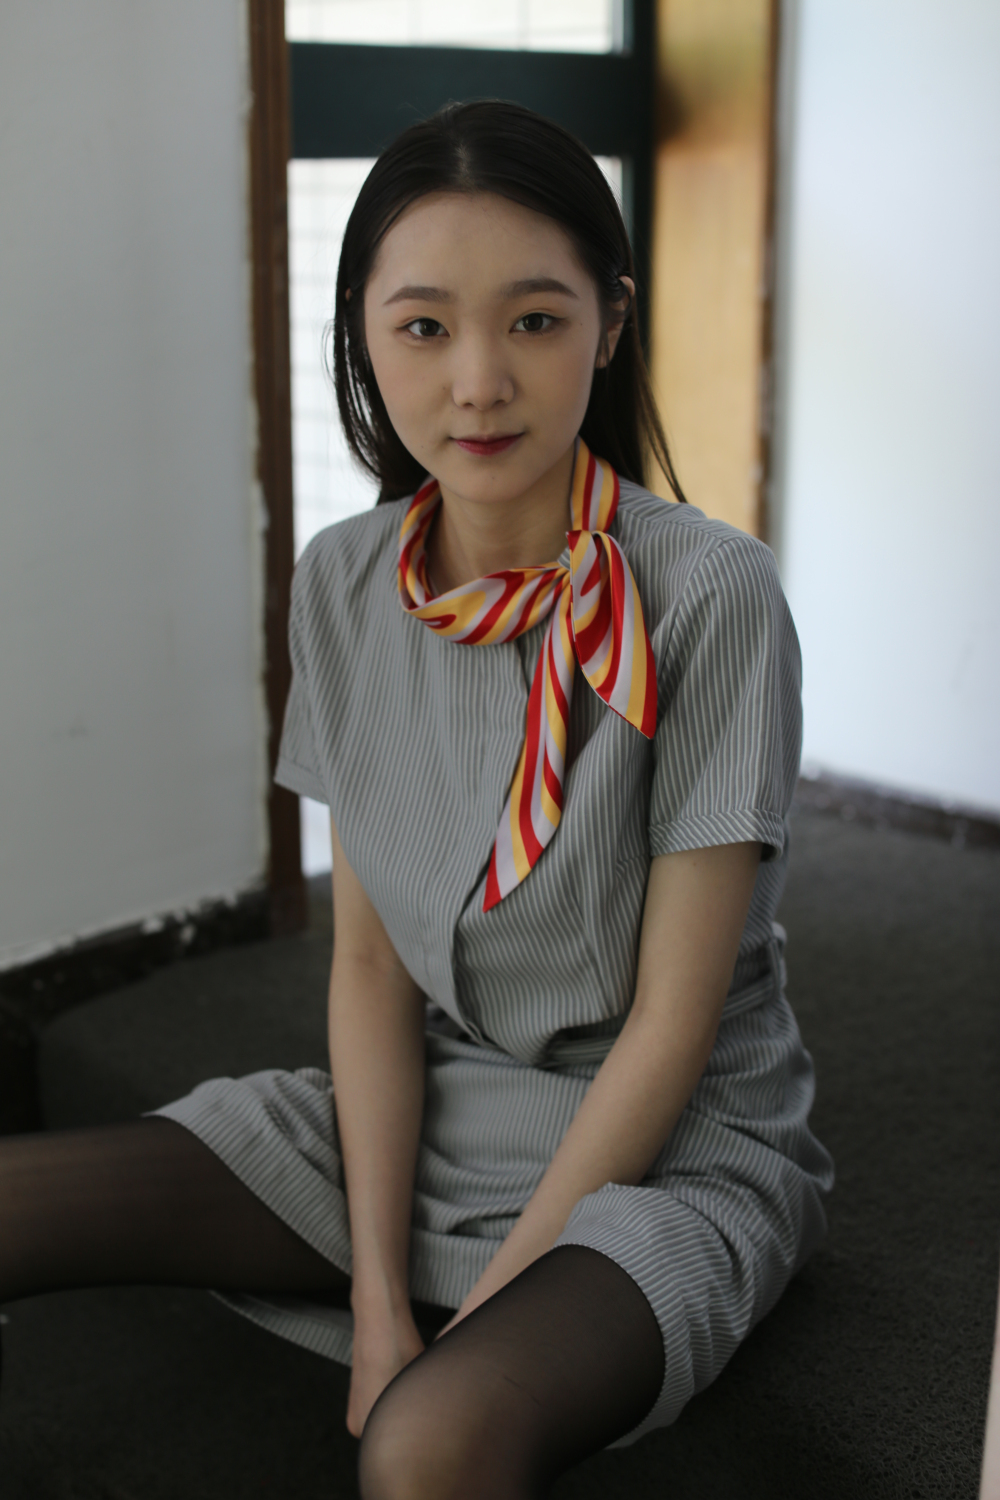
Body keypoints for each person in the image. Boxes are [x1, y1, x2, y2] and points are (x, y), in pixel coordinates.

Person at [0, 101, 833, 1497]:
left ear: (611, 325)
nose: (478, 384)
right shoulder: (342, 581)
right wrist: (382, 1300)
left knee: (429, 1443)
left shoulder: (710, 596)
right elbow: (376, 970)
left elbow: (675, 1026)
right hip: (436, 1105)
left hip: (673, 1148)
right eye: (425, 327)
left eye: (535, 321)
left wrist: (491, 1305)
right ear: (364, 337)